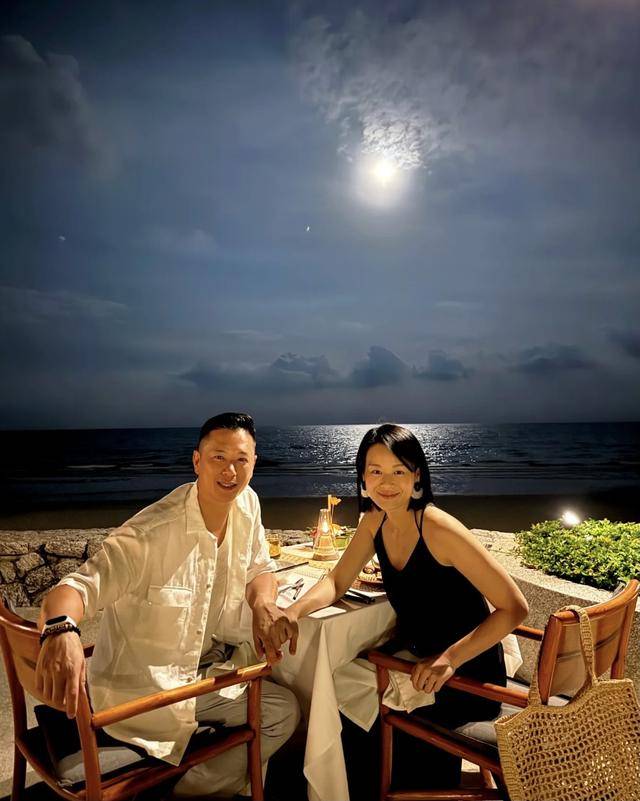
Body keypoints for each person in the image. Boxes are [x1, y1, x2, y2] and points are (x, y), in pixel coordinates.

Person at [35, 412, 300, 799]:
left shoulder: (247, 504)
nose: (230, 471)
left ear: (254, 463)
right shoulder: (150, 535)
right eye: (218, 457)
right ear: (197, 461)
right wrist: (61, 630)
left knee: (279, 687)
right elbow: (74, 589)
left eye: (241, 459)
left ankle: (192, 785)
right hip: (146, 692)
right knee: (283, 711)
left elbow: (260, 568)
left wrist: (263, 604)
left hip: (208, 666)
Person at [269, 423, 528, 788]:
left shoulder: (438, 528)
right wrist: (293, 611)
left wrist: (449, 658)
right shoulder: (375, 520)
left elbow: (515, 607)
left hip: (464, 675)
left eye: (398, 472)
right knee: (341, 680)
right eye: (375, 471)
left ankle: (379, 784)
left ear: (416, 475)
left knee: (348, 690)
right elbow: (337, 581)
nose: (386, 483)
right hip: (420, 659)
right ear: (362, 477)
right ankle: (351, 783)